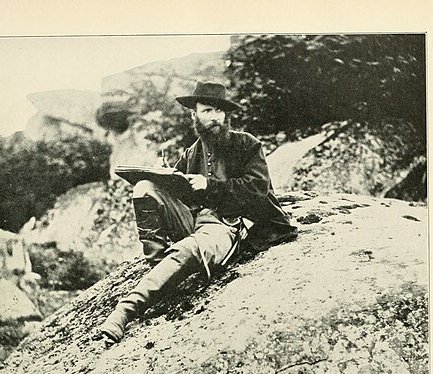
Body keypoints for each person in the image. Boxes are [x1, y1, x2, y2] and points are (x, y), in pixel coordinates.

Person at [99, 81, 297, 345]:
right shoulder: (192, 153)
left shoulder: (246, 145)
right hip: (193, 220)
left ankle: (126, 310)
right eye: (207, 111)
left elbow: (257, 190)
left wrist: (210, 185)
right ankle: (158, 268)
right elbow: (178, 192)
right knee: (145, 187)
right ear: (194, 115)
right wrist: (164, 177)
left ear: (226, 115)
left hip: (227, 227)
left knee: (188, 248)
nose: (215, 117)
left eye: (219, 111)